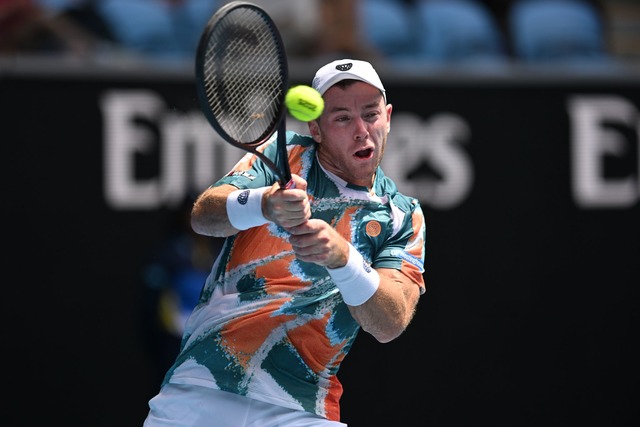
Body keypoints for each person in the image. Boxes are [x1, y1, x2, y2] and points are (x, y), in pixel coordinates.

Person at [143, 59, 427, 426]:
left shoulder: (402, 215)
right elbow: (204, 216)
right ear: (317, 128)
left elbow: (390, 323)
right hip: (203, 383)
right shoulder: (282, 157)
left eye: (370, 114)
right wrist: (266, 204)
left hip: (302, 404)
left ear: (387, 116)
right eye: (342, 118)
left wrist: (343, 258)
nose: (361, 131)